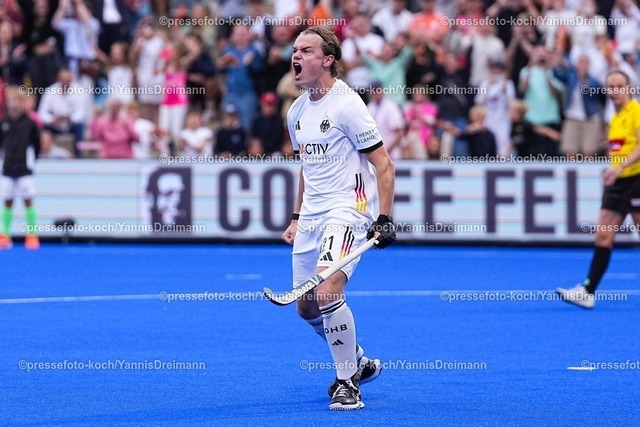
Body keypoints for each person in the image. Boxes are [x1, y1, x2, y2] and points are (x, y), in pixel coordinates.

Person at [281, 26, 396, 411]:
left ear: (327, 60)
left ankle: (348, 383)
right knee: (306, 307)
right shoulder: (296, 111)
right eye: (295, 50)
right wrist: (296, 217)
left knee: (328, 290)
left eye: (306, 50)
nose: (296, 56)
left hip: (349, 209)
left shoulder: (347, 105)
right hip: (312, 217)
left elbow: (384, 164)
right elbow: (306, 167)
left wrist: (384, 217)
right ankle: (358, 361)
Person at [557, 70, 640, 309]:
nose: (615, 91)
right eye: (610, 87)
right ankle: (587, 290)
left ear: (629, 88)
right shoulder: (614, 117)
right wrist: (613, 169)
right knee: (603, 235)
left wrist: (620, 167)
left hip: (636, 180)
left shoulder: (635, 111)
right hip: (618, 182)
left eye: (619, 86)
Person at [0, 87, 41, 249]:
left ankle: (31, 235)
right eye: (12, 101)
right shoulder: (3, 122)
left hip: (25, 169)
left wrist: (31, 161)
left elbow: (36, 145)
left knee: (28, 201)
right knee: (7, 201)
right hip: (7, 168)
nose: (14, 104)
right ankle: (5, 234)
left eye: (18, 101)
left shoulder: (30, 123)